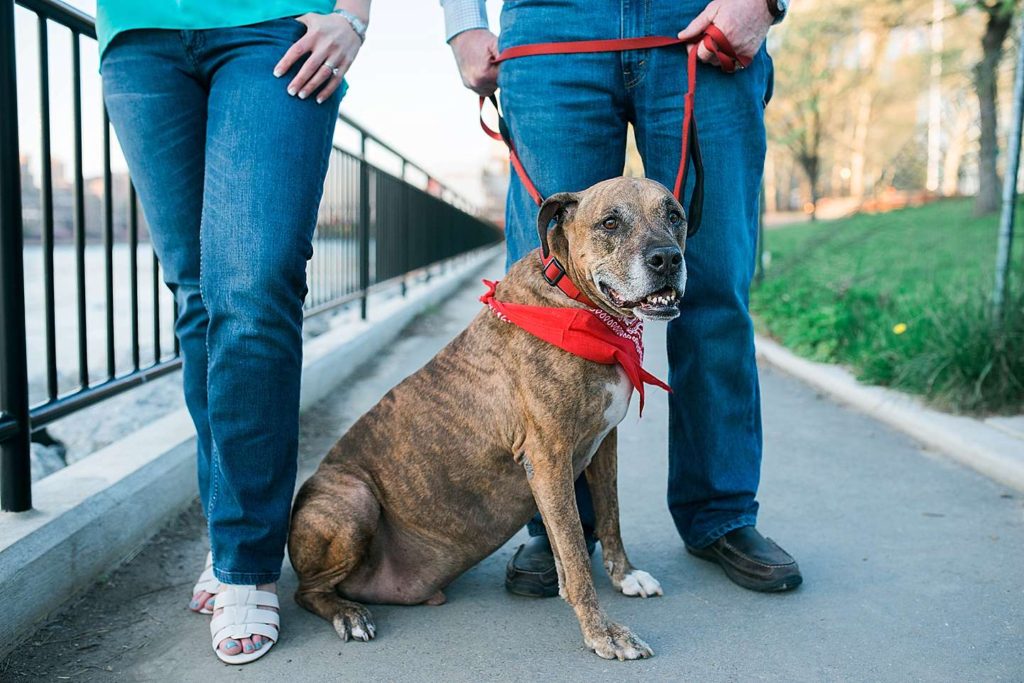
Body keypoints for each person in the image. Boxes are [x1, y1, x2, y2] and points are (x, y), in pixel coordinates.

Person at [442, 0, 802, 596]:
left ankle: (721, 513)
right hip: (553, 25)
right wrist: (462, 22)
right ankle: (561, 525)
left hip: (703, 18)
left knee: (712, 287)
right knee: (550, 297)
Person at [98, 0, 370, 664]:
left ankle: (245, 562)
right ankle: (230, 537)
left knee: (252, 287)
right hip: (139, 35)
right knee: (197, 295)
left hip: (272, 25)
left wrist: (355, 16)